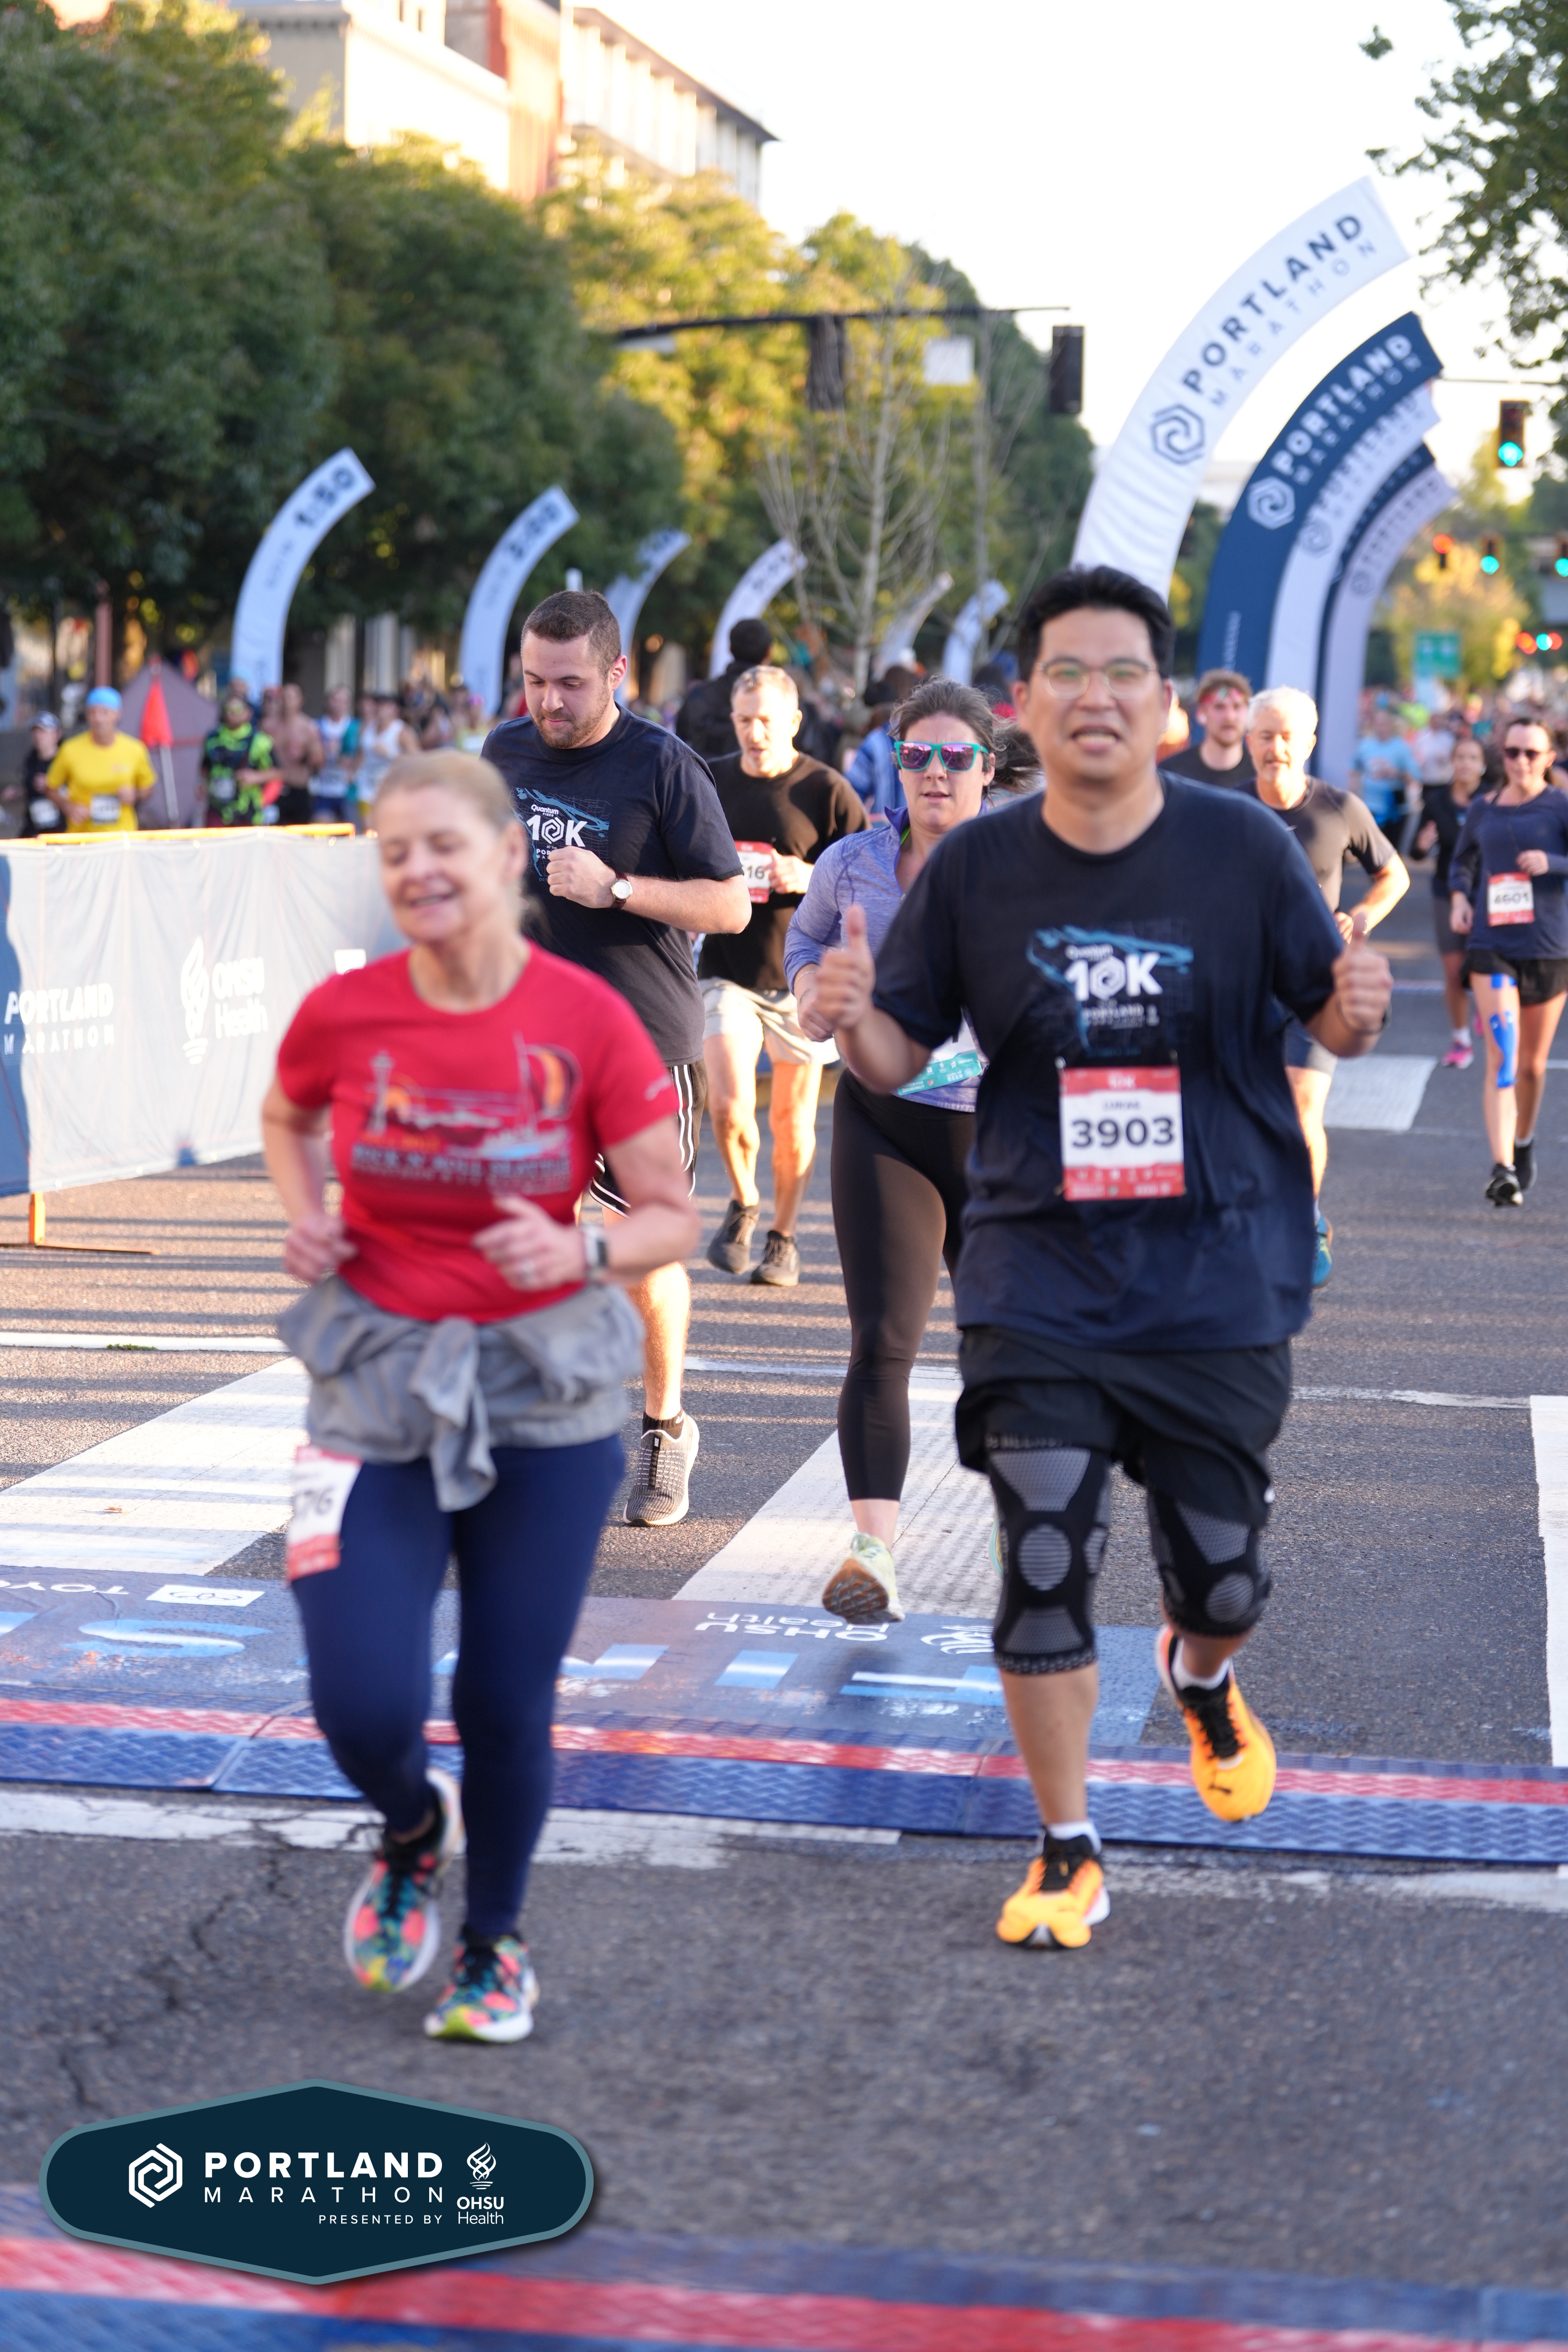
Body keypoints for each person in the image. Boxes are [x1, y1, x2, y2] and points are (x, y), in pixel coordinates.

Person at [810, 564, 1390, 1951]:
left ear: (1168, 704)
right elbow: (896, 1050)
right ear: (1026, 701)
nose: (1095, 696)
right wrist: (847, 1015)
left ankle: (1201, 1678)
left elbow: (1328, 1014)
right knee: (1044, 1557)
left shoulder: (1241, 849)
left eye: (1123, 671)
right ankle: (1066, 1845)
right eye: (1065, 672)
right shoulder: (977, 871)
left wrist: (1358, 1009)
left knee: (1223, 1580)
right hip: (1038, 1267)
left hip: (1214, 1269)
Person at [261, 749, 699, 2040]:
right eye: (395, 851)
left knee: (505, 1702)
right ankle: (412, 1826)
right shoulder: (348, 1012)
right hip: (375, 1385)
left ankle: (494, 1944)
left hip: (544, 1398)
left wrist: (584, 1252)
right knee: (359, 1703)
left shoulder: (587, 1019)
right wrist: (306, 1215)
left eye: (443, 845)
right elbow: (286, 1118)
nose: (418, 871)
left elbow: (673, 1215)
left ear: (510, 858)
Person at [483, 589, 749, 1526]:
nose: (548, 702)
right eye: (533, 681)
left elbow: (730, 905)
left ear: (616, 673)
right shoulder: (503, 752)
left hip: (642, 1046)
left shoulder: (663, 764)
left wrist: (619, 889)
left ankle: (664, 1427)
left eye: (568, 683)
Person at [787, 680, 995, 1622]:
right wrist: (810, 994)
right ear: (895, 765)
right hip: (884, 1121)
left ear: (986, 768)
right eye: (917, 755)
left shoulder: (1030, 866)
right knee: (882, 1341)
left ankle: (1026, 1521)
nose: (935, 773)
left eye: (956, 757)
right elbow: (803, 942)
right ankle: (872, 1552)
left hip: (998, 1132)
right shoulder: (851, 863)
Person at [701, 666, 867, 1286]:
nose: (755, 732)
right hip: (726, 967)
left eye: (768, 720)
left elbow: (870, 875)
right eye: (745, 720)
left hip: (803, 975)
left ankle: (784, 1236)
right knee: (728, 1106)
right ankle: (744, 1200)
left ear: (794, 722)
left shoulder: (827, 790)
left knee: (792, 1124)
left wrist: (810, 876)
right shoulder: (710, 780)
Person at [1245, 686, 1408, 1287]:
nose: (1276, 748)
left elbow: (1393, 875)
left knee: (1301, 1107)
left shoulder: (1339, 808)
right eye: (1265, 736)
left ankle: (1302, 1223)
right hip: (1245, 988)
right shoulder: (1226, 812)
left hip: (1316, 987)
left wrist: (1360, 916)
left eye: (1288, 736)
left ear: (1309, 742)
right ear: (1249, 742)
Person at [1449, 716, 1568, 1205]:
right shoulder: (1484, 807)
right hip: (1492, 944)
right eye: (1513, 752)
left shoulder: (1560, 805)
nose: (1521, 761)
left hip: (1548, 947)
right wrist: (1460, 897)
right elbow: (1462, 861)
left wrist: (1552, 863)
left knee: (1532, 1068)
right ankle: (1502, 1170)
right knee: (1503, 1055)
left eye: (1531, 753)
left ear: (1548, 758)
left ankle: (1523, 1142)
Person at [1415, 731, 1488, 1069]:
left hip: (1486, 891)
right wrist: (1422, 845)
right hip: (1446, 888)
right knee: (1453, 969)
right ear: (1452, 762)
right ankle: (1461, 1039)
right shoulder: (1437, 802)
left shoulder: (1494, 799)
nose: (1466, 764)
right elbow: (1417, 852)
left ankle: (1486, 1007)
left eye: (1473, 758)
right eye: (1461, 758)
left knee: (1485, 964)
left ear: (1483, 765)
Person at [47, 687, 155, 833]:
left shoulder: (135, 749)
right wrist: (69, 807)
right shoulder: (70, 749)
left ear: (118, 715)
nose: (98, 719)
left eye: (105, 713)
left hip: (122, 834)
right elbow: (51, 788)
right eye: (93, 713)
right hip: (82, 835)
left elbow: (148, 788)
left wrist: (135, 795)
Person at [675, 618, 776, 762]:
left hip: (704, 775)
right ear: (769, 652)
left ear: (730, 649)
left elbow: (679, 747)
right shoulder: (782, 703)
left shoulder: (699, 696)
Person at [1158, 668, 1255, 787]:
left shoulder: (1260, 774)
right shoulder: (1171, 773)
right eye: (1219, 707)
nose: (1229, 717)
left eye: (1237, 707)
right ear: (1201, 713)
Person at [199, 686, 278, 828]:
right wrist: (202, 785)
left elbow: (278, 772)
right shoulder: (213, 739)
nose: (232, 714)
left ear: (248, 713)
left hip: (247, 810)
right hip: (217, 810)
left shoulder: (260, 741)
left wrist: (255, 777)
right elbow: (204, 768)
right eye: (228, 710)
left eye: (237, 710)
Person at [848, 667, 920, 820]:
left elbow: (850, 797)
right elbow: (850, 797)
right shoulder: (878, 740)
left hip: (886, 828)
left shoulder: (877, 739)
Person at [1351, 700, 1420, 844]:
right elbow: (1354, 767)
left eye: (1385, 724)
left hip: (1394, 810)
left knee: (1391, 848)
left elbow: (1415, 777)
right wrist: (1354, 790)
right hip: (1371, 806)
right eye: (1379, 724)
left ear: (1391, 725)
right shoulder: (1366, 746)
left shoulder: (1401, 748)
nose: (1382, 728)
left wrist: (1397, 774)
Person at [356, 693, 420, 811]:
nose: (381, 709)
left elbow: (417, 760)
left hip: (390, 790)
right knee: (366, 821)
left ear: (395, 709)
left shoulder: (402, 731)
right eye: (379, 705)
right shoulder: (366, 727)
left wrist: (390, 754)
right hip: (366, 788)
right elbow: (360, 754)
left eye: (386, 706)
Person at [273, 682, 323, 826]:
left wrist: (305, 755)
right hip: (275, 789)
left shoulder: (308, 727)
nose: (287, 702)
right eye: (284, 697)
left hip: (298, 788)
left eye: (291, 698)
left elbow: (319, 761)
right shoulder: (269, 725)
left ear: (300, 701)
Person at [313, 686, 358, 824]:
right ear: (328, 702)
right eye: (336, 700)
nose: (339, 705)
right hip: (323, 788)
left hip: (348, 790)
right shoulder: (316, 726)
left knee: (351, 829)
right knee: (321, 827)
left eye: (344, 701)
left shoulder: (356, 727)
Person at [17, 712, 64, 836]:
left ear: (57, 734)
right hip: (35, 827)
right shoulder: (30, 760)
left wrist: (53, 785)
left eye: (44, 732)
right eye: (36, 732)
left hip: (63, 827)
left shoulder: (66, 759)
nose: (39, 736)